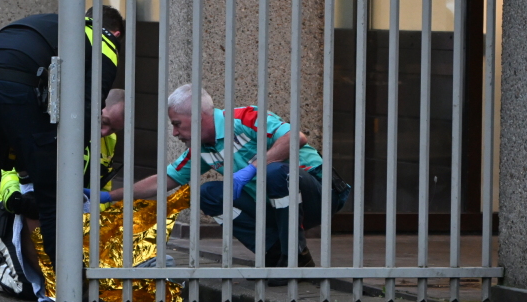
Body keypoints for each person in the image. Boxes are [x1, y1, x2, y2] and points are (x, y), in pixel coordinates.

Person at [0, 6, 123, 302]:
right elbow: (89, 105)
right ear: (117, 34)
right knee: (54, 195)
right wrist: (67, 159)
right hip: (17, 90)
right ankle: (73, 295)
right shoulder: (104, 40)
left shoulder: (51, 24)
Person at [92, 84, 351, 286]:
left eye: (177, 124)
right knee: (208, 193)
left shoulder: (245, 118)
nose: (175, 133)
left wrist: (253, 167)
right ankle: (276, 254)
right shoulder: (202, 148)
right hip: (276, 206)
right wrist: (107, 196)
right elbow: (163, 180)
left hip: (319, 194)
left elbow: (297, 137)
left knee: (273, 172)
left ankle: (294, 255)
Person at [0, 90, 126, 302]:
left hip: (60, 212)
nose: (106, 132)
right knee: (27, 289)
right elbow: (7, 167)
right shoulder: (52, 124)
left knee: (59, 285)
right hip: (12, 210)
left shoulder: (107, 139)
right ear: (94, 108)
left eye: (114, 129)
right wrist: (14, 197)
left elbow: (102, 185)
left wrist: (95, 213)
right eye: (104, 123)